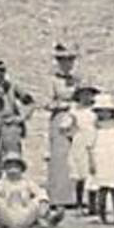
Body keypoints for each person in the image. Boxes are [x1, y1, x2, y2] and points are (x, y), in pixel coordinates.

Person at [0, 154, 65, 228]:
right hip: (8, 214)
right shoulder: (2, 183)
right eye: (9, 167)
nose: (13, 170)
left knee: (38, 201)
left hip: (25, 213)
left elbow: (40, 193)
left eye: (16, 167)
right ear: (5, 169)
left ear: (21, 169)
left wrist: (42, 203)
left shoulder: (26, 182)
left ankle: (46, 220)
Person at [0, 59, 33, 185]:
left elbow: (30, 102)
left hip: (11, 128)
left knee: (13, 159)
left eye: (1, 73)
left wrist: (21, 118)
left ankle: (16, 188)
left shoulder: (12, 87)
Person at [44, 43, 82, 206]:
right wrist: (62, 105)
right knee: (60, 157)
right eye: (64, 61)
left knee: (77, 154)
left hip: (76, 117)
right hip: (59, 118)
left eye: (70, 61)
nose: (67, 64)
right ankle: (59, 197)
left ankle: (77, 197)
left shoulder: (77, 80)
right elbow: (47, 102)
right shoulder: (52, 81)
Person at [84, 93, 114, 224]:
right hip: (100, 157)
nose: (104, 114)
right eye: (101, 112)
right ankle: (102, 215)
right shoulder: (94, 126)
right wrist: (91, 161)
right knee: (102, 187)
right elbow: (89, 145)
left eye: (107, 111)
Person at [62, 83, 99, 210]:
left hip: (95, 140)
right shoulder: (74, 111)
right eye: (83, 94)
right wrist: (71, 135)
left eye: (89, 94)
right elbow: (64, 126)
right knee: (80, 173)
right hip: (80, 141)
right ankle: (79, 202)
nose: (86, 97)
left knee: (94, 172)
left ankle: (93, 204)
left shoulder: (97, 109)